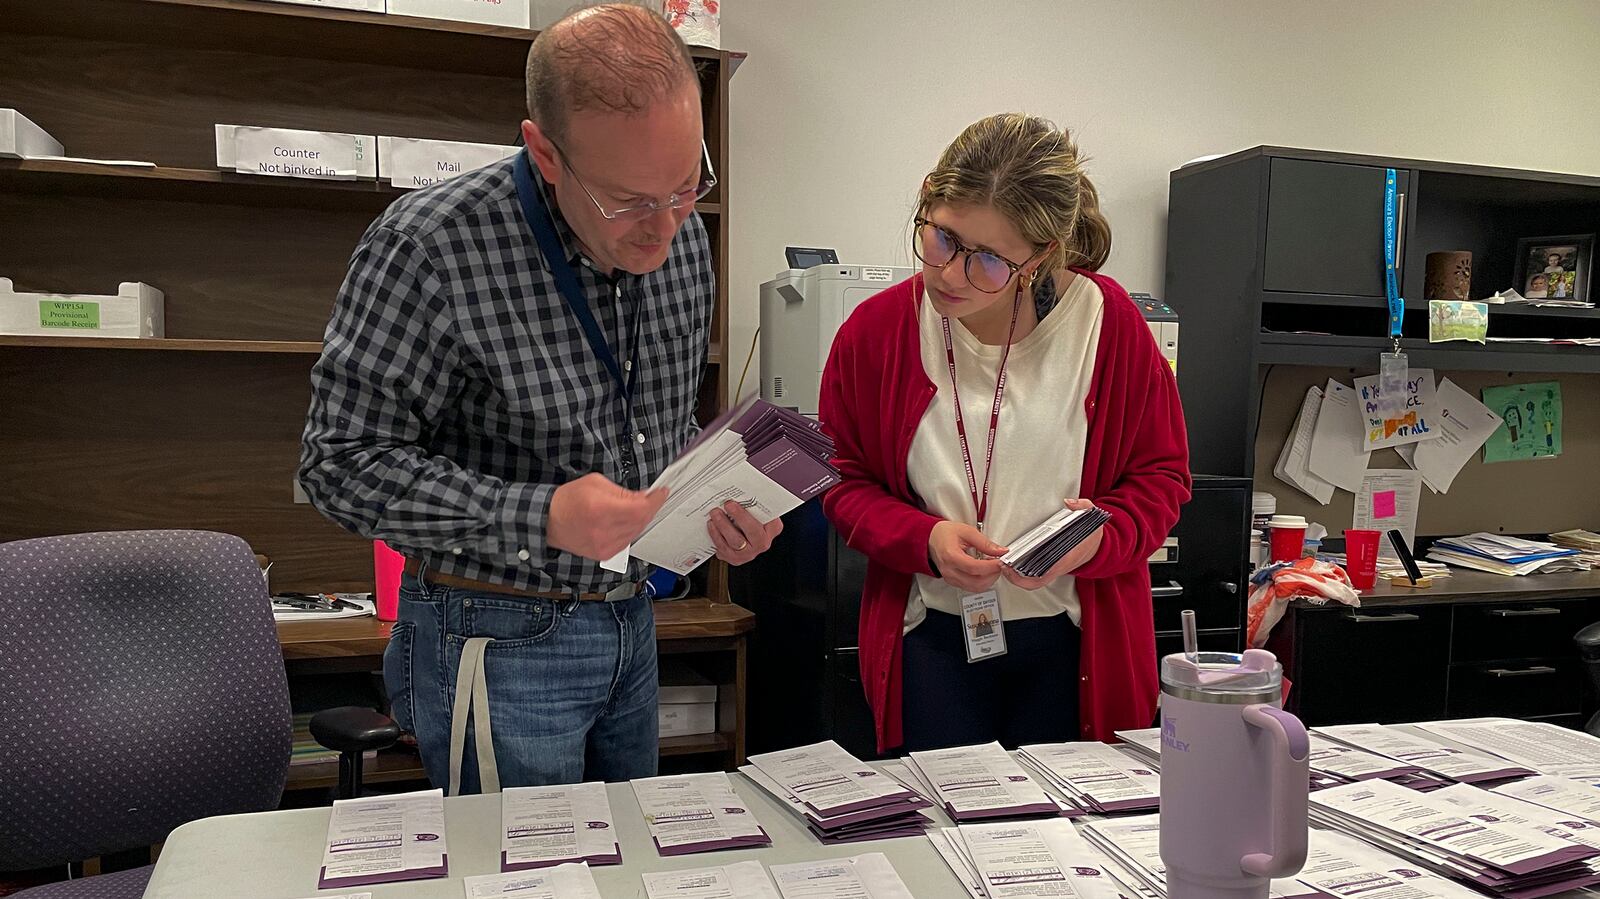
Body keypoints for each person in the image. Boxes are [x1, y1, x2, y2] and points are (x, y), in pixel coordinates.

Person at [298, 4, 779, 792]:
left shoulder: (684, 240)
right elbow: (340, 464)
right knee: (519, 858)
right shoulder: (431, 246)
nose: (663, 229)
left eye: (687, 187)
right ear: (545, 153)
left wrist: (716, 509)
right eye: (628, 201)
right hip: (495, 630)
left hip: (633, 617)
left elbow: (653, 429)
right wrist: (542, 516)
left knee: (632, 851)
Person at [818, 114, 1191, 753]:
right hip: (930, 639)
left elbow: (1162, 479)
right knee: (940, 814)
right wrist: (924, 539)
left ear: (1040, 255)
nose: (950, 275)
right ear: (928, 198)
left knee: (1071, 815)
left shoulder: (1109, 327)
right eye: (942, 238)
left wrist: (1100, 539)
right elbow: (840, 480)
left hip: (1073, 643)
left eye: (989, 260)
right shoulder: (877, 332)